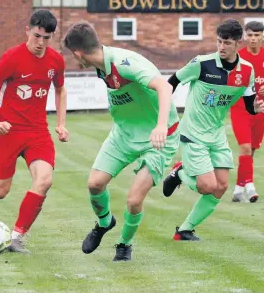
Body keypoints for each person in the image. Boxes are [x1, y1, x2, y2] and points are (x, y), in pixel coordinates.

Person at [63, 22, 180, 261]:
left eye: (72, 56)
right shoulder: (100, 65)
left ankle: (124, 245)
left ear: (78, 53)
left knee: (134, 200)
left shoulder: (124, 64)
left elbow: (164, 87)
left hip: (158, 138)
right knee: (95, 184)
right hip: (124, 134)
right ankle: (105, 222)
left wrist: (160, 126)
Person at [0, 10, 69, 254]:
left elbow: (60, 90)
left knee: (44, 180)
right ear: (27, 31)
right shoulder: (12, 57)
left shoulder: (55, 60)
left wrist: (61, 123)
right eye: (37, 36)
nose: (41, 43)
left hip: (38, 132)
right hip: (7, 132)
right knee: (0, 190)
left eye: (47, 38)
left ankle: (17, 236)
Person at [162, 19, 264, 241]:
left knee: (220, 187)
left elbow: (249, 104)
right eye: (219, 41)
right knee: (207, 186)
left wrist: (256, 108)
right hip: (193, 133)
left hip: (216, 134)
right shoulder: (201, 64)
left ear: (238, 43)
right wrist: (162, 116)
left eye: (227, 43)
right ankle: (179, 173)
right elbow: (170, 83)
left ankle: (184, 230)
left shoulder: (247, 71)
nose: (221, 47)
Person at [231, 21, 264, 203]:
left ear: (262, 37)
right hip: (241, 109)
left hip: (262, 110)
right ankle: (250, 187)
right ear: (245, 36)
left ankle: (238, 188)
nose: (253, 39)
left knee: (251, 150)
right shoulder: (238, 57)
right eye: (250, 35)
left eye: (256, 35)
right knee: (244, 146)